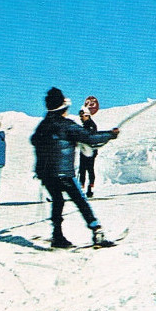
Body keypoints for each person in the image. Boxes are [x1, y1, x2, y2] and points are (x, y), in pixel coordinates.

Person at [30, 87, 120, 248]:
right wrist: (110, 135)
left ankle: (57, 236)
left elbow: (34, 140)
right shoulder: (67, 125)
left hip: (46, 174)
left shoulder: (42, 126)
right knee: (81, 201)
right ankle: (97, 232)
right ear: (63, 108)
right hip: (64, 173)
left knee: (57, 201)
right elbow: (90, 138)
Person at [77, 107, 98, 198]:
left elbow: (89, 137)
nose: (81, 118)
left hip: (90, 150)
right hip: (84, 150)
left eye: (82, 116)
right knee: (82, 169)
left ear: (87, 115)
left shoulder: (91, 125)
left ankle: (90, 188)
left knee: (89, 169)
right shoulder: (85, 125)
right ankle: (83, 187)